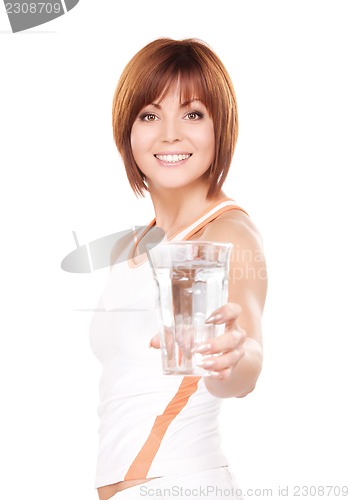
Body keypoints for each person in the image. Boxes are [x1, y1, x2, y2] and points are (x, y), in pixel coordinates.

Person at [89, 37, 267, 500]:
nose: (170, 133)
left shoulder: (226, 234)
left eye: (192, 114)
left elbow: (245, 363)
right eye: (150, 115)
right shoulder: (134, 246)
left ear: (220, 127)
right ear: (127, 129)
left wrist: (232, 358)